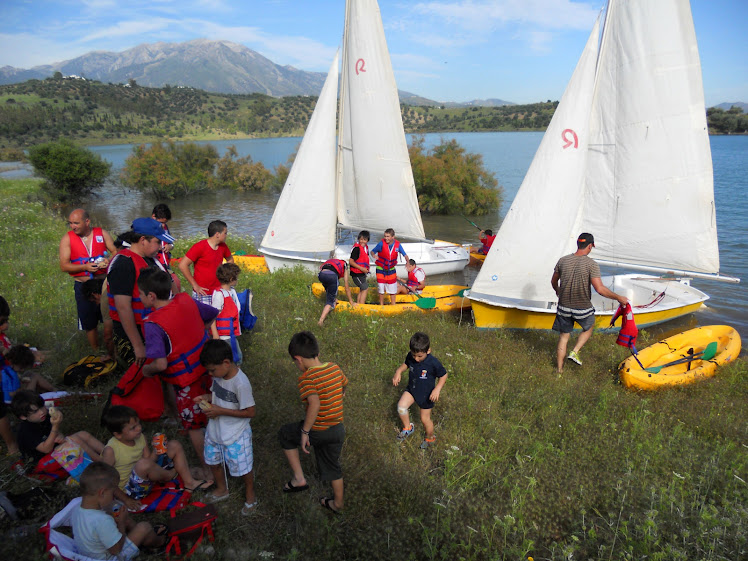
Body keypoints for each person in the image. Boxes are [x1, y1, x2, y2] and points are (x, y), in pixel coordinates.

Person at [138, 267, 218, 478]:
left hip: (187, 382)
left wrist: (147, 370)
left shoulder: (153, 324)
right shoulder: (185, 300)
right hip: (209, 370)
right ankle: (224, 454)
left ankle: (208, 470)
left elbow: (161, 365)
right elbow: (211, 315)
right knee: (214, 414)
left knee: (194, 427)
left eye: (140, 293)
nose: (138, 297)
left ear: (151, 296)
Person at [278, 331, 347, 514]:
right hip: (338, 428)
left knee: (285, 433)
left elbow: (314, 404)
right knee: (332, 465)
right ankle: (337, 504)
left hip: (318, 430)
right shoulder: (334, 367)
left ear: (298, 359)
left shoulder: (307, 378)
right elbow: (343, 385)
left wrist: (306, 431)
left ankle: (299, 479)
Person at [551, 233, 629, 373]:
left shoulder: (562, 261)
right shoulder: (591, 264)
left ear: (577, 244)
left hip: (563, 306)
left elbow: (553, 281)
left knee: (563, 337)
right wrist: (618, 297)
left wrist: (558, 290)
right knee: (589, 326)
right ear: (590, 246)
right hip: (582, 307)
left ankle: (559, 371)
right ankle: (575, 351)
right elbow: (599, 289)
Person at [101, 405, 213, 503]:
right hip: (131, 490)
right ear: (118, 435)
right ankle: (169, 475)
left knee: (174, 445)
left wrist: (156, 450)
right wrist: (126, 500)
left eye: (138, 423)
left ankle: (190, 482)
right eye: (133, 428)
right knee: (143, 464)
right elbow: (106, 480)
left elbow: (149, 460)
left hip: (147, 475)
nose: (139, 428)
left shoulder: (140, 437)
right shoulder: (111, 450)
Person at [196, 339, 257, 514]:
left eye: (212, 370)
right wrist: (207, 398)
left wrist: (220, 411)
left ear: (226, 363)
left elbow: (250, 412)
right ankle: (222, 489)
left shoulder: (241, 383)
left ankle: (250, 496)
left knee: (244, 467)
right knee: (213, 461)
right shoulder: (219, 376)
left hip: (236, 434)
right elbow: (220, 396)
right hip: (215, 430)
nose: (210, 374)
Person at [107, 219, 174, 367]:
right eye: (157, 242)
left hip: (153, 327)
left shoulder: (151, 260)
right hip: (134, 332)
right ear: (143, 240)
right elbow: (123, 307)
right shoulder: (123, 264)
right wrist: (138, 346)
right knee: (147, 376)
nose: (161, 246)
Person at [72, 462, 167, 561]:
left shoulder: (77, 509)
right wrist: (121, 523)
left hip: (89, 554)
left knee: (125, 519)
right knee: (144, 527)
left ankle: (144, 539)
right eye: (112, 493)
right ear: (102, 493)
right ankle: (160, 542)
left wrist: (121, 520)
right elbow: (116, 549)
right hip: (111, 558)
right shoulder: (102, 520)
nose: (113, 496)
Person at [59, 209, 117, 355]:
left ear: (87, 222)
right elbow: (64, 265)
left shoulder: (102, 233)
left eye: (76, 223)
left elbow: (116, 252)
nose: (73, 226)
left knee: (110, 317)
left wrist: (108, 261)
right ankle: (97, 352)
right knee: (89, 321)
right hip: (83, 285)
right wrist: (84, 267)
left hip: (102, 284)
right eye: (70, 223)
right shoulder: (67, 238)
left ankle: (113, 348)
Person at [11, 390, 105, 470]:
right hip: (40, 463)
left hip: (53, 451)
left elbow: (54, 433)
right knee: (74, 440)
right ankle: (103, 463)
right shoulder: (26, 430)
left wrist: (59, 435)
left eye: (42, 406)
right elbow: (46, 449)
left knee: (82, 434)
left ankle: (109, 452)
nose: (42, 412)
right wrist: (55, 427)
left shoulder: (43, 416)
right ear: (23, 417)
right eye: (35, 411)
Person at [392, 332, 448, 449]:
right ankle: (408, 428)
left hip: (427, 395)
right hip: (412, 389)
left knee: (424, 419)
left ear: (428, 351)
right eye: (414, 355)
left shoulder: (433, 363)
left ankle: (430, 438)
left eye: (419, 356)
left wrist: (437, 389)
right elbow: (406, 364)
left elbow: (444, 375)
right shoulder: (411, 356)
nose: (416, 359)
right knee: (401, 407)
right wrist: (398, 371)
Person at [178, 220, 234, 305]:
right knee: (203, 317)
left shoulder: (223, 246)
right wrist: (194, 285)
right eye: (225, 233)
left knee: (219, 316)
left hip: (219, 291)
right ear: (217, 234)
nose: (226, 235)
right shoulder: (200, 247)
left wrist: (227, 276)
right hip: (203, 292)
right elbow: (183, 265)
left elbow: (230, 259)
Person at [210, 263, 243, 363]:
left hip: (231, 335)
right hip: (224, 337)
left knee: (236, 358)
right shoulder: (219, 295)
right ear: (231, 279)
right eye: (236, 277)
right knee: (234, 360)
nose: (237, 279)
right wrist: (215, 335)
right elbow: (212, 316)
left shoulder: (232, 291)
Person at [371, 228, 408, 305]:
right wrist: (374, 255)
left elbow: (405, 255)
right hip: (381, 268)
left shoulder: (397, 245)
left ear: (393, 237)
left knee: (392, 289)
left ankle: (393, 304)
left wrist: (407, 261)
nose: (386, 238)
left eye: (388, 236)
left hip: (391, 269)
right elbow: (372, 251)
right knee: (381, 288)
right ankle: (381, 305)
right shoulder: (381, 244)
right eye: (385, 236)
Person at [151, 203, 181, 292]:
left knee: (176, 284)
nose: (163, 225)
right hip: (154, 263)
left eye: (165, 222)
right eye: (161, 222)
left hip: (165, 263)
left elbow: (171, 242)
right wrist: (157, 247)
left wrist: (170, 246)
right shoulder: (148, 229)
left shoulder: (165, 228)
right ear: (153, 216)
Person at [317, 258, 354, 326]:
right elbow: (346, 286)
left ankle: (333, 299)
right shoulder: (344, 265)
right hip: (331, 276)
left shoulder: (332, 261)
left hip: (321, 275)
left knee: (330, 289)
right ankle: (321, 321)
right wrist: (351, 301)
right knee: (329, 302)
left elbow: (322, 269)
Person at [348, 230, 371, 304]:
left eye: (364, 240)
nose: (362, 241)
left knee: (362, 289)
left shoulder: (366, 248)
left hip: (362, 273)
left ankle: (358, 304)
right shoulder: (356, 249)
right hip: (356, 274)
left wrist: (366, 269)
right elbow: (351, 261)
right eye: (361, 239)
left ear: (367, 240)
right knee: (365, 288)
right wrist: (361, 268)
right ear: (358, 239)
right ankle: (362, 306)